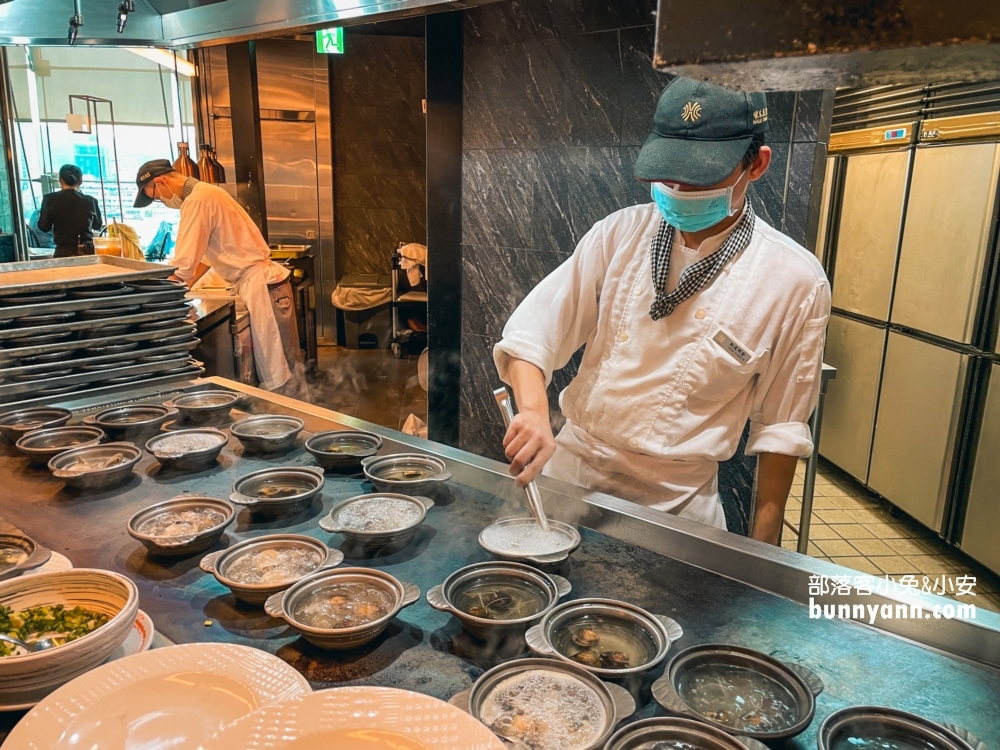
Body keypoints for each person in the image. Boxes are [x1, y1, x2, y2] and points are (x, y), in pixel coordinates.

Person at [493, 77, 831, 544]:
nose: (677, 188)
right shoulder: (619, 234)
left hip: (675, 506)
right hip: (567, 476)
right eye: (667, 174)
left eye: (700, 176)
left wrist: (763, 560)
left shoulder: (794, 280)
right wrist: (531, 410)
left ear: (756, 165)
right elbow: (534, 334)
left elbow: (781, 429)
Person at [133, 159, 303, 393]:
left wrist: (146, 297)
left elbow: (182, 267)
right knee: (288, 367)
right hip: (267, 285)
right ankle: (299, 420)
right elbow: (202, 259)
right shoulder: (209, 192)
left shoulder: (197, 202)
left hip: (263, 286)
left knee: (284, 373)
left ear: (160, 181)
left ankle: (296, 422)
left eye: (156, 197)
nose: (161, 201)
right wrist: (182, 289)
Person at [37, 164, 102, 257]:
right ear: (80, 181)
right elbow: (97, 225)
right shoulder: (90, 201)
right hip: (87, 251)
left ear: (60, 180)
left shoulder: (49, 199)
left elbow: (44, 227)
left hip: (63, 251)